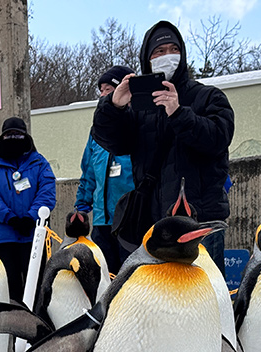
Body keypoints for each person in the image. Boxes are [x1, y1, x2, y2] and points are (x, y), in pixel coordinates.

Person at [92, 20, 233, 276]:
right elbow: (112, 141)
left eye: (173, 49)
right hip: (156, 226)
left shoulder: (209, 97)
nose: (167, 55)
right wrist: (114, 106)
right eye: (159, 51)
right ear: (147, 59)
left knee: (207, 296)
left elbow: (218, 138)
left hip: (200, 225)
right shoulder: (139, 108)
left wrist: (178, 113)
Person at [0, 117, 57, 302]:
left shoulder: (40, 163)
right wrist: (9, 217)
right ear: (2, 137)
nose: (13, 138)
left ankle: (37, 317)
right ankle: (12, 318)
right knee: (10, 285)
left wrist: (31, 217)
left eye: (17, 134)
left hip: (34, 235)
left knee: (36, 284)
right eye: (9, 135)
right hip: (4, 236)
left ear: (26, 136)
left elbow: (47, 192)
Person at [74, 65, 136, 275]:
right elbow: (88, 173)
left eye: (108, 90)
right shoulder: (97, 133)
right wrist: (82, 205)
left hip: (130, 218)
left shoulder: (138, 124)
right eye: (101, 91)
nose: (102, 95)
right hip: (102, 220)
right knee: (105, 277)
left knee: (131, 277)